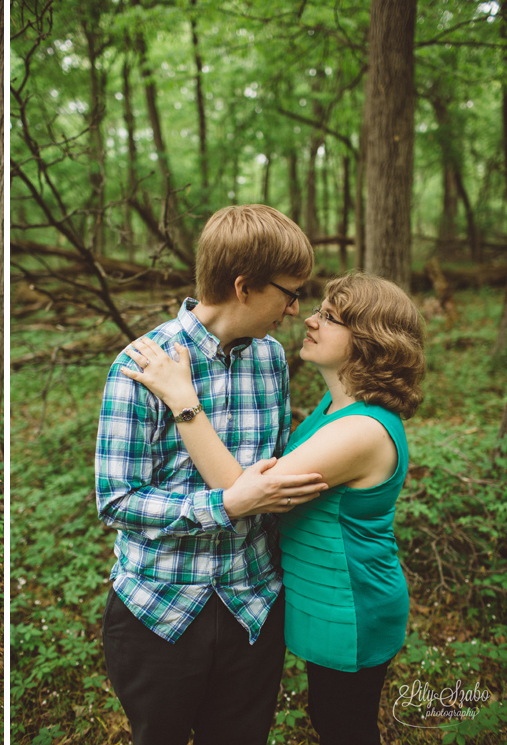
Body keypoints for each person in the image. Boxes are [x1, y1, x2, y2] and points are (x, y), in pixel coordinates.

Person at [123, 271, 425, 745]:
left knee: (345, 726)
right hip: (321, 597)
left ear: (367, 340)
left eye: (329, 317)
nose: (309, 319)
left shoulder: (362, 431)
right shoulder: (334, 407)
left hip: (351, 603)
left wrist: (184, 400)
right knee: (332, 717)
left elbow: (246, 493)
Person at [96, 204, 328, 745]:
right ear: (245, 287)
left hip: (253, 607)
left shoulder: (271, 359)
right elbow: (117, 500)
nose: (296, 310)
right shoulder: (140, 366)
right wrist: (225, 505)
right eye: (289, 293)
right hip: (159, 611)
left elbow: (271, 472)